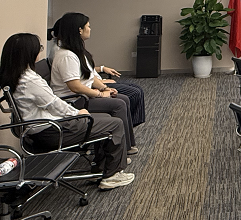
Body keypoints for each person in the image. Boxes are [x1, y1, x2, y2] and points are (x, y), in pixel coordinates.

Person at [1, 33, 134, 190]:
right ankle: (112, 176)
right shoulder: (30, 81)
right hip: (52, 131)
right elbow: (54, 104)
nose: (40, 51)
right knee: (114, 124)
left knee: (103, 119)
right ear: (29, 53)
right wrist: (77, 113)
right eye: (39, 48)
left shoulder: (14, 77)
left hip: (40, 129)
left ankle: (100, 168)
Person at [49, 12, 138, 155]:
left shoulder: (76, 52)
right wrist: (100, 95)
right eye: (88, 26)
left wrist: (105, 88)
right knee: (118, 104)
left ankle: (127, 144)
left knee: (124, 99)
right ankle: (121, 149)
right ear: (79, 30)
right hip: (73, 101)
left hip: (82, 97)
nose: (90, 29)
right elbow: (75, 86)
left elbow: (88, 75)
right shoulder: (66, 56)